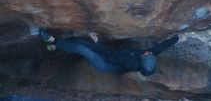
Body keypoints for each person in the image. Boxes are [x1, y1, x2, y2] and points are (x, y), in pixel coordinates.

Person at [39, 30, 179, 76]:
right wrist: (178, 37)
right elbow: (162, 46)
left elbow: (109, 55)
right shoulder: (150, 55)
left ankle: (52, 40)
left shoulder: (130, 63)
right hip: (112, 54)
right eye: (150, 53)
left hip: (106, 64)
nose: (148, 52)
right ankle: (56, 47)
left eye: (147, 54)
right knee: (80, 40)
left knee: (84, 49)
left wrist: (97, 43)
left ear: (142, 60)